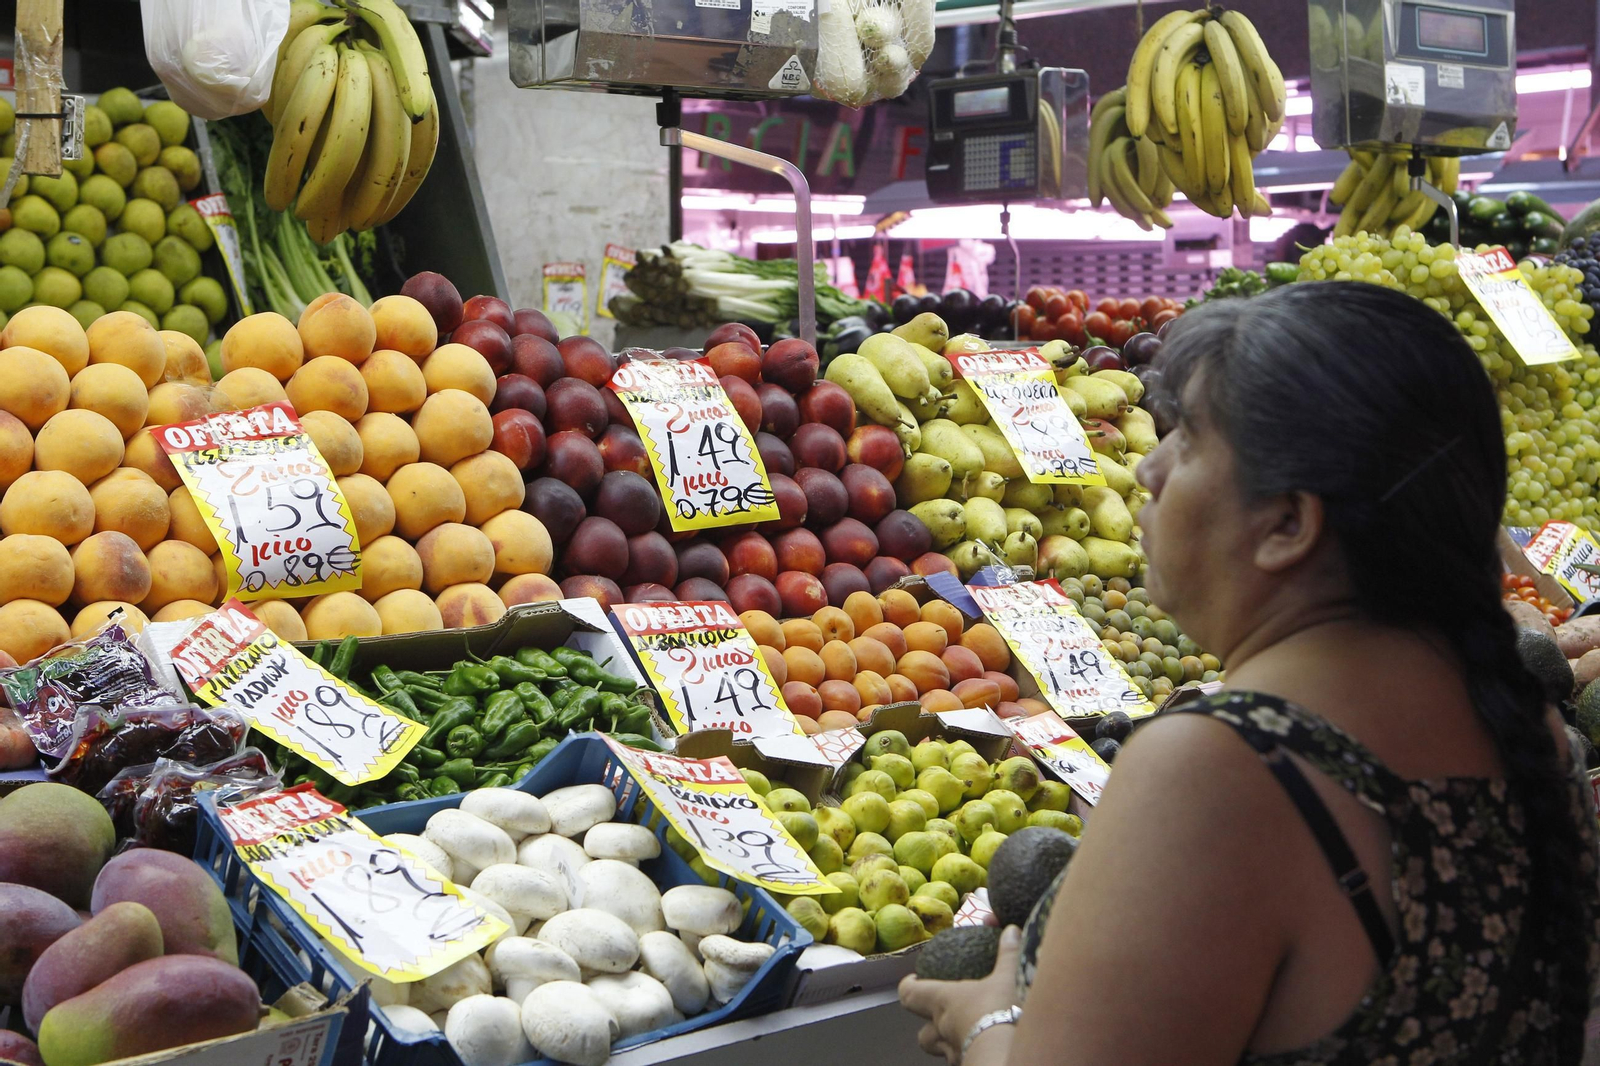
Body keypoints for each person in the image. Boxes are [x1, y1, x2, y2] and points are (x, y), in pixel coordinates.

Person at [899, 281, 1600, 1065]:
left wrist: (989, 1025)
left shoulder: (1223, 767)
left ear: (1289, 524)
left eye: (1189, 441)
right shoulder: (1525, 726)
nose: (1148, 471)